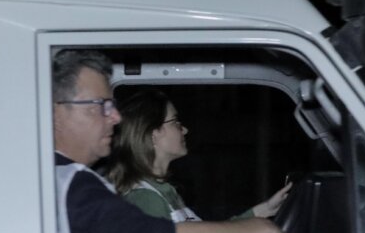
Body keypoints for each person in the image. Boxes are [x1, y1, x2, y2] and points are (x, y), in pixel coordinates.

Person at [53, 49, 290, 233]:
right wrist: (260, 228)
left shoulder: (65, 179)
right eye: (100, 105)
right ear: (56, 112)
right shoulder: (69, 186)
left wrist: (259, 214)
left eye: (112, 105)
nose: (115, 117)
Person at [107, 86, 291, 223]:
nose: (184, 130)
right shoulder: (146, 199)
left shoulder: (164, 191)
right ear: (154, 134)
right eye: (175, 122)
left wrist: (263, 210)